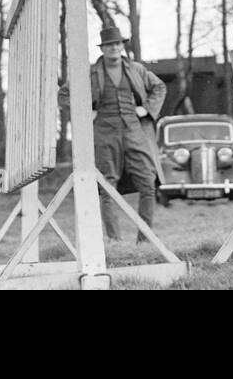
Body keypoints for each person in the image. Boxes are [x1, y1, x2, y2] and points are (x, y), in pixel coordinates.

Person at [59, 21, 167, 242]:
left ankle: (144, 240)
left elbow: (159, 87)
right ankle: (115, 243)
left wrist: (145, 109)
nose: (113, 48)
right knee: (107, 186)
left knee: (148, 182)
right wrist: (84, 111)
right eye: (109, 45)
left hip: (134, 131)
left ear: (122, 46)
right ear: (102, 48)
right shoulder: (90, 72)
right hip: (104, 132)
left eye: (116, 44)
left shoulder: (136, 69)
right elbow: (63, 95)